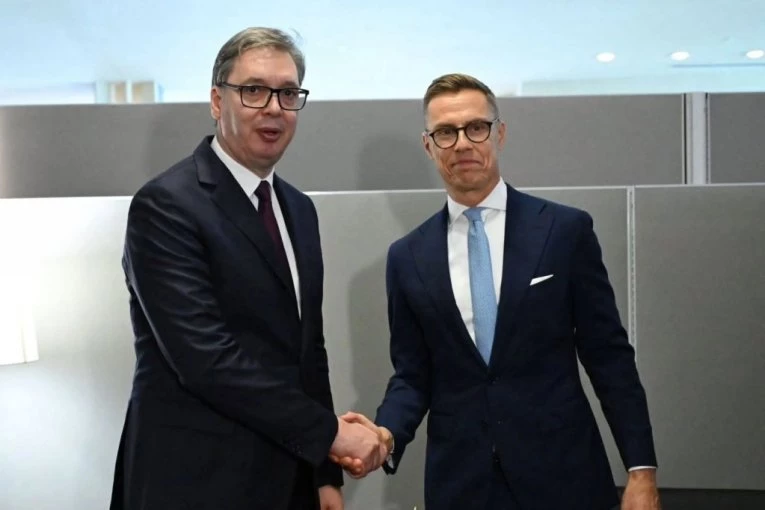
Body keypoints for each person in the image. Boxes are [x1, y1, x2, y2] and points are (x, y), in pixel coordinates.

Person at [339, 74, 661, 510]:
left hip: (565, 477)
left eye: (476, 128)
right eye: (446, 133)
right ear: (429, 146)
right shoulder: (407, 257)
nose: (462, 144)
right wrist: (385, 434)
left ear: (500, 133)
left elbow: (609, 357)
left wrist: (641, 470)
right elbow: (412, 376)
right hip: (462, 486)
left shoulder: (564, 231)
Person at [109, 27, 383, 510]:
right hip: (195, 483)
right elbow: (205, 359)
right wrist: (332, 435)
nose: (274, 107)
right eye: (253, 90)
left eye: (288, 93)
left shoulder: (299, 209)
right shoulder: (166, 204)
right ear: (217, 101)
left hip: (288, 481)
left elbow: (308, 353)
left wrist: (324, 476)